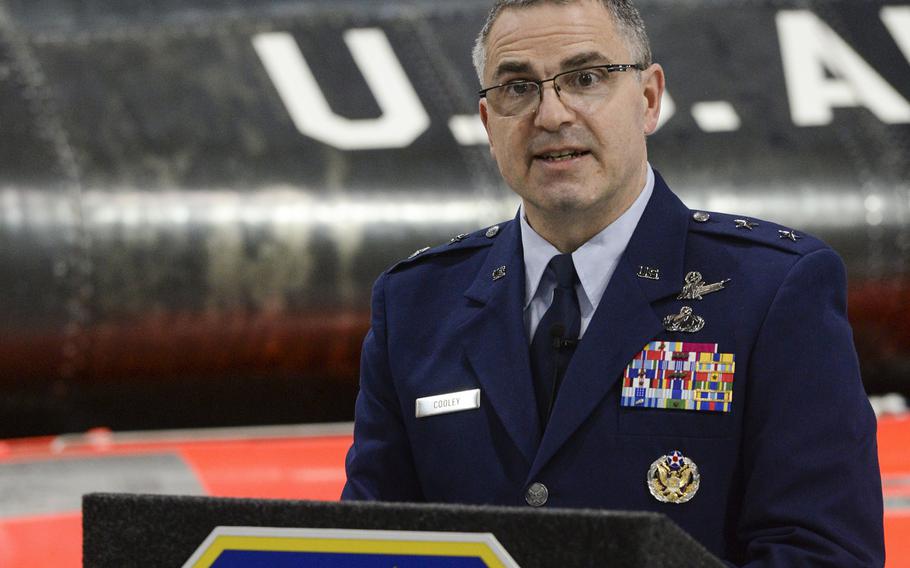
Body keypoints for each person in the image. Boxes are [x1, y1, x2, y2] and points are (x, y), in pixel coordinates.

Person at [342, 0, 885, 564]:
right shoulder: (415, 305)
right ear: (487, 122)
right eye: (518, 88)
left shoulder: (773, 291)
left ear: (648, 100)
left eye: (586, 78)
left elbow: (824, 554)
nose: (551, 115)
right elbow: (368, 549)